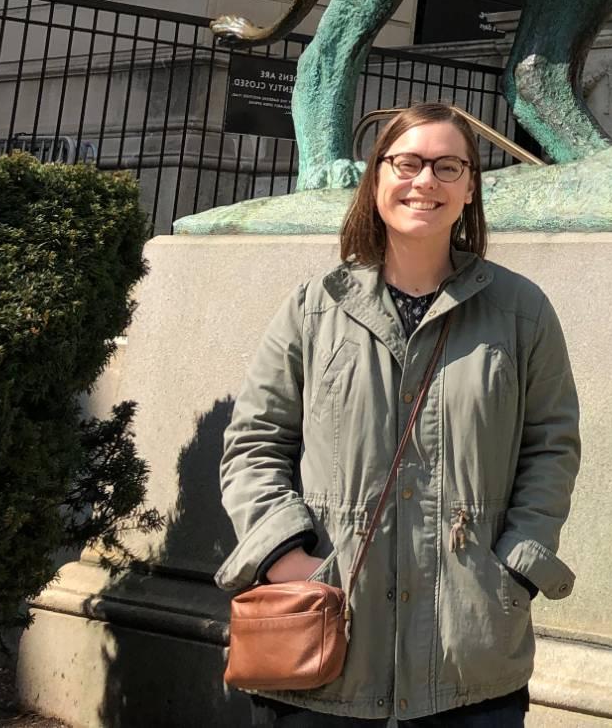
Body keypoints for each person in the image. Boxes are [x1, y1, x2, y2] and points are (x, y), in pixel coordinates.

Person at [218, 102, 581, 727]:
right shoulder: (314, 308)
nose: (426, 182)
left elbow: (552, 446)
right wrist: (286, 556)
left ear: (470, 188)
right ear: (377, 178)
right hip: (327, 647)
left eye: (447, 166)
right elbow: (255, 442)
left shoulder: (522, 311)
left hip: (469, 652)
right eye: (407, 162)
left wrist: (516, 566)